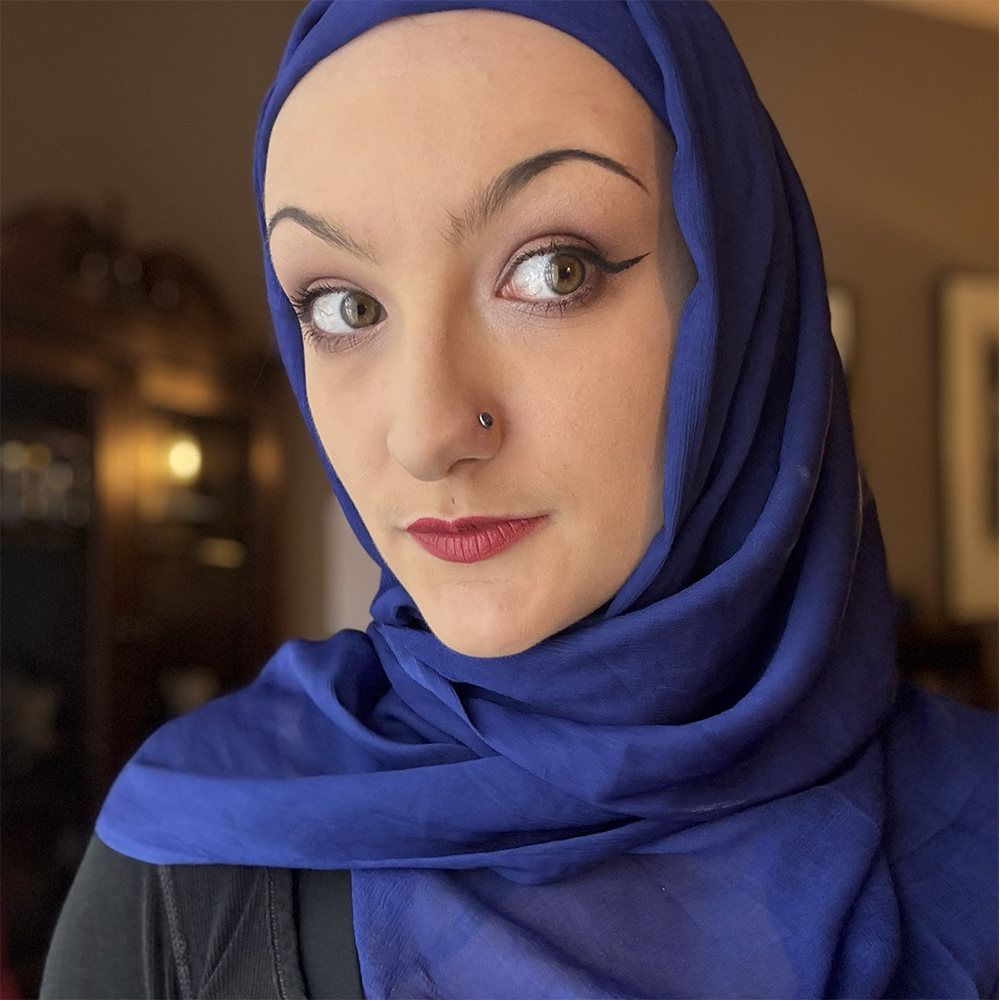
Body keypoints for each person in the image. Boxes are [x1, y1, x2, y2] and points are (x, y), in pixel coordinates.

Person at [41, 2, 997, 998]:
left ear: (745, 313)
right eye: (343, 307)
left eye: (554, 270)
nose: (426, 430)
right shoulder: (188, 863)